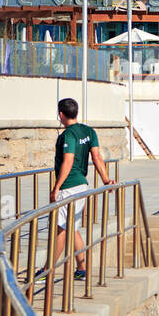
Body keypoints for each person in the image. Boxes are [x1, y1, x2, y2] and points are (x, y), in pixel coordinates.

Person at [48, 98, 114, 280]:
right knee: (72, 226)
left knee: (61, 228)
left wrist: (56, 187)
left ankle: (47, 271)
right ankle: (82, 268)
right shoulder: (89, 131)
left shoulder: (67, 135)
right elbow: (97, 157)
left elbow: (68, 161)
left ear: (61, 114)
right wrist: (106, 180)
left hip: (68, 186)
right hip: (82, 185)